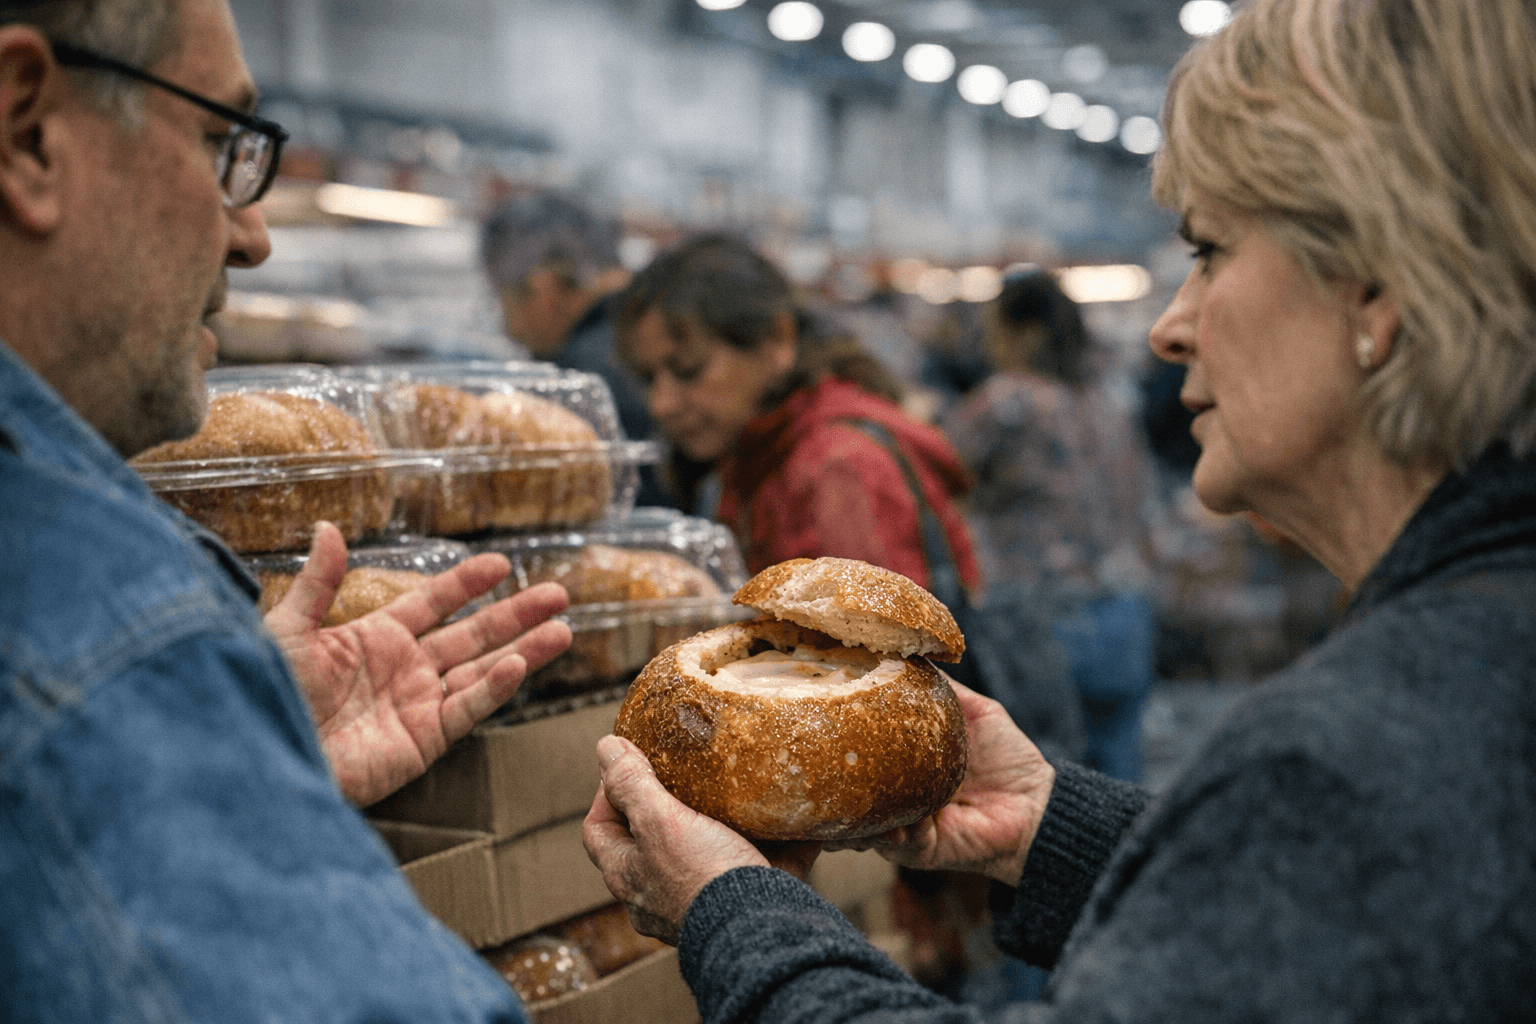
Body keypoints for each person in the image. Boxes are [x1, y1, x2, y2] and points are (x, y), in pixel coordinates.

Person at [584, 0, 1536, 1020]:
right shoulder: (1475, 665)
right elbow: (1340, 926)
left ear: (1378, 290)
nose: (1169, 327)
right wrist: (1054, 827)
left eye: (1209, 251)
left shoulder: (1354, 748)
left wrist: (734, 911)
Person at [0, 2, 575, 1019]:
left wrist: (236, 748)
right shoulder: (76, 612)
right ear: (27, 131)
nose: (254, 235)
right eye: (221, 142)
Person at [610, 232, 1083, 1007]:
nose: (663, 402)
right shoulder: (753, 458)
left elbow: (870, 710)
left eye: (687, 370)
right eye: (650, 377)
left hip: (938, 841)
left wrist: (911, 899)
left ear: (776, 342)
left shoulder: (834, 467)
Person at [939, 270, 1157, 782]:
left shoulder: (1009, 400)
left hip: (1042, 623)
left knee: (1043, 791)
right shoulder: (1108, 402)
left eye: (994, 330)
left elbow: (935, 463)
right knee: (1120, 784)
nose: (987, 344)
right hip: (1126, 614)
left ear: (1026, 332)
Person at [480, 188, 671, 507]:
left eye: (504, 301)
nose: (507, 328)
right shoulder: (652, 328)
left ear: (544, 290)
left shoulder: (579, 378)